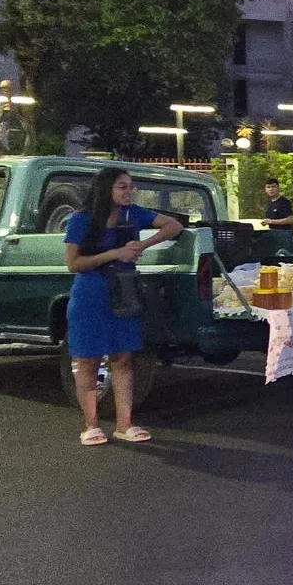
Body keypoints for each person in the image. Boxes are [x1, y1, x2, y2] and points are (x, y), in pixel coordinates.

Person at [63, 167, 183, 445]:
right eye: (122, 187)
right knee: (88, 359)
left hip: (124, 292)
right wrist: (114, 253)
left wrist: (142, 244)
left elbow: (174, 225)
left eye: (131, 187)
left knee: (123, 357)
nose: (128, 192)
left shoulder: (134, 214)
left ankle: (124, 424)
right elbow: (73, 264)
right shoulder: (82, 219)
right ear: (106, 188)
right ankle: (90, 425)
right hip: (90, 293)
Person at [261, 177, 293, 252]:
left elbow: (291, 219)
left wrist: (271, 221)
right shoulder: (269, 203)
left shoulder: (284, 202)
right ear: (265, 189)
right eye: (268, 187)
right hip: (272, 235)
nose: (271, 189)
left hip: (284, 235)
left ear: (278, 188)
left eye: (273, 187)